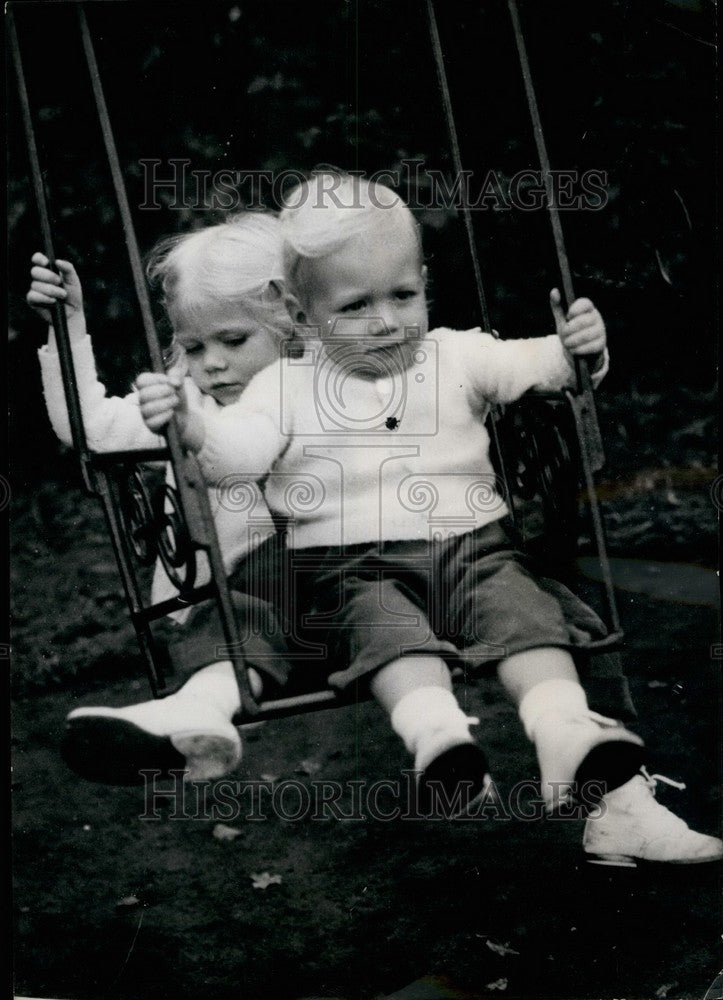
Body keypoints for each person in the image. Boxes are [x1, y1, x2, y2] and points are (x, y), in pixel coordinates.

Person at [137, 172, 722, 866]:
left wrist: (579, 348)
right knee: (388, 631)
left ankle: (562, 730)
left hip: (474, 550)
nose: (387, 321)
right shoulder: (286, 387)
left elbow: (540, 365)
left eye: (403, 296)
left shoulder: (455, 351)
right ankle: (440, 741)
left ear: (422, 283)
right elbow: (240, 454)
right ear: (303, 313)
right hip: (353, 566)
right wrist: (195, 432)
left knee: (525, 611)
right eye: (356, 306)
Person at [27, 212, 295, 784]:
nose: (212, 363)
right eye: (192, 347)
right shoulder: (183, 405)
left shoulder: (331, 396)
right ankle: (196, 719)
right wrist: (67, 327)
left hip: (345, 596)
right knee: (234, 612)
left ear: (293, 322)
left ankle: (197, 709)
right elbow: (90, 428)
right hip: (235, 613)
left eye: (233, 339)